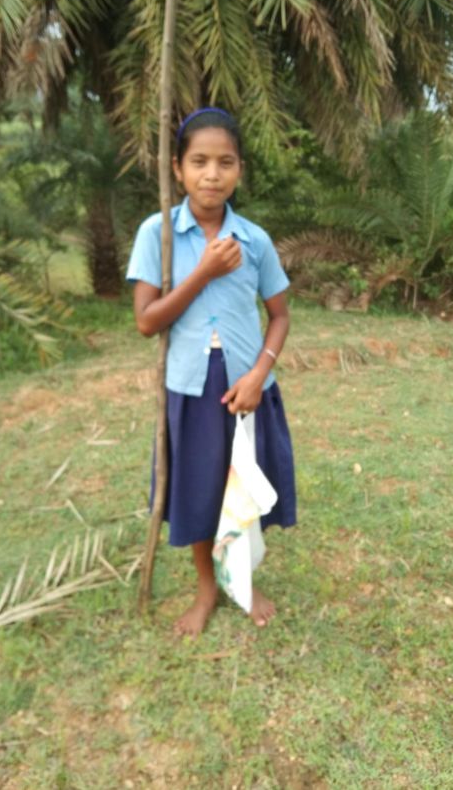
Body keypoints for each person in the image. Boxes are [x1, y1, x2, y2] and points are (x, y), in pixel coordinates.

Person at [126, 108, 296, 637]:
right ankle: (207, 588)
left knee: (241, 488)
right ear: (178, 169)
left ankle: (242, 580)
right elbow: (147, 322)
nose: (212, 174)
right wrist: (203, 272)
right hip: (191, 389)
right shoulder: (159, 234)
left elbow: (280, 315)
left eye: (225, 162)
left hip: (248, 388)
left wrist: (258, 374)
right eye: (199, 162)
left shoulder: (255, 240)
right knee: (201, 491)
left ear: (239, 169)